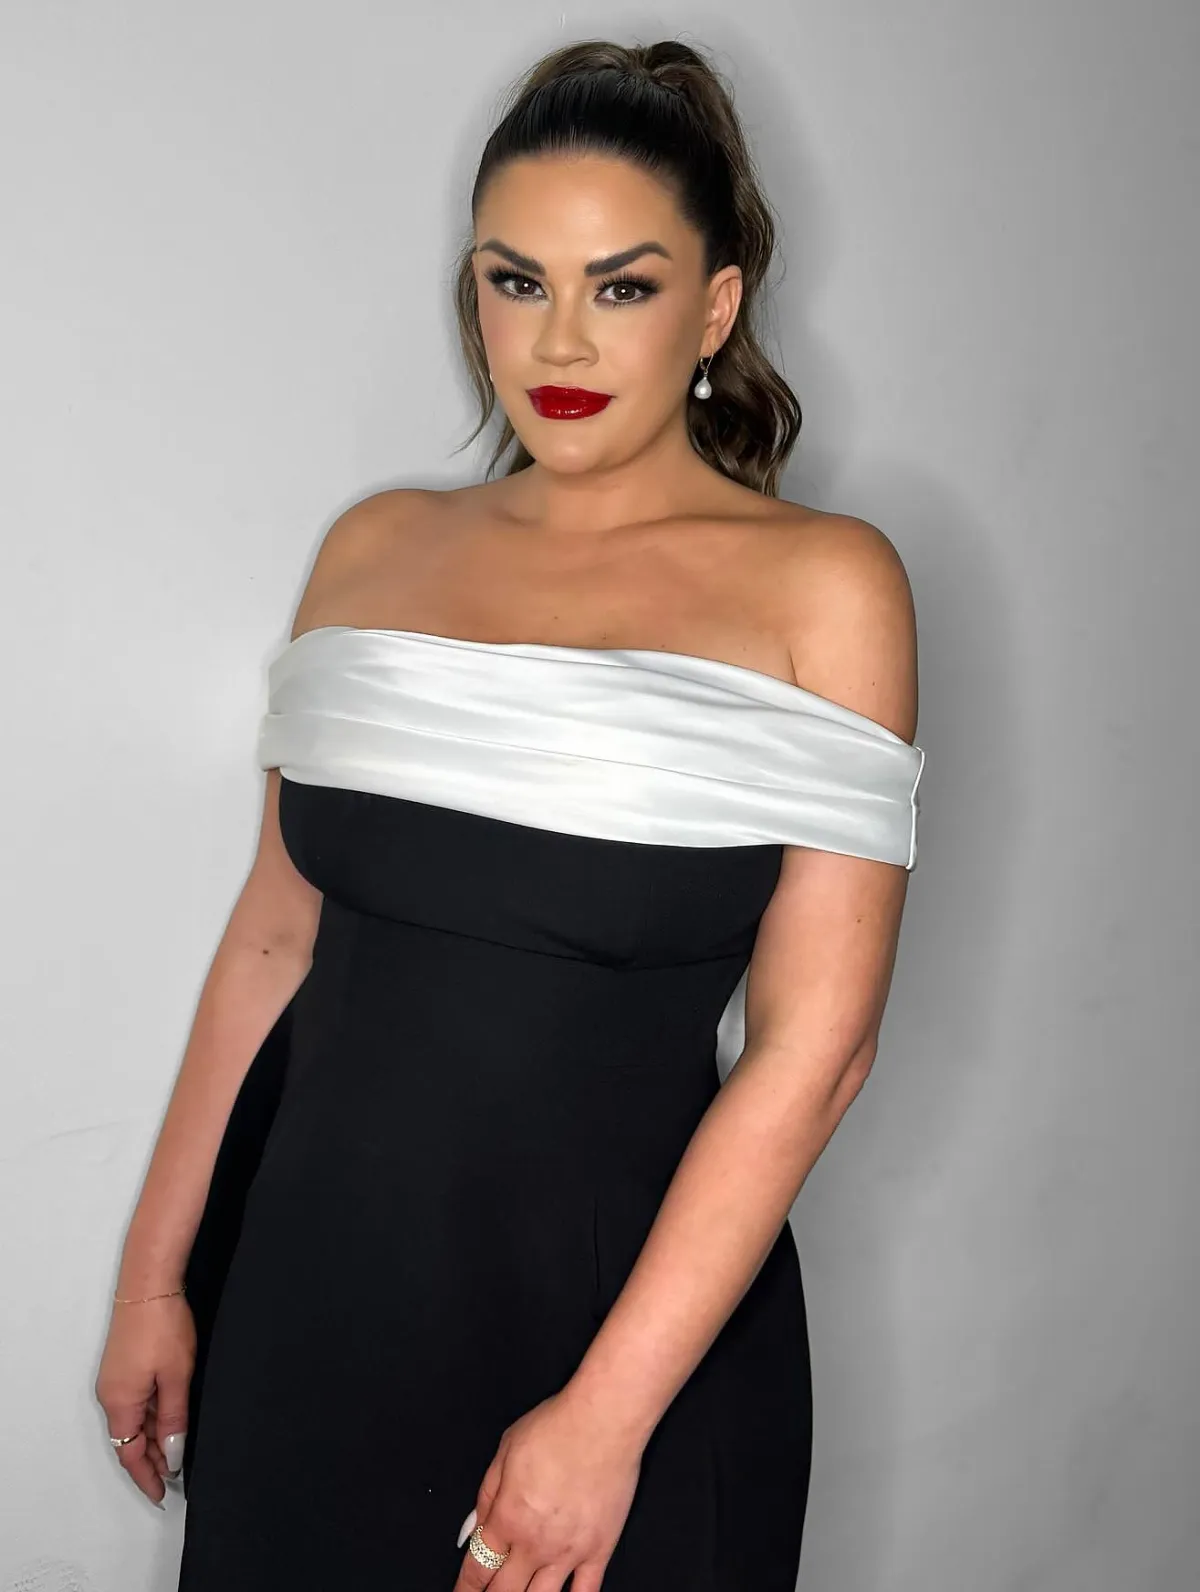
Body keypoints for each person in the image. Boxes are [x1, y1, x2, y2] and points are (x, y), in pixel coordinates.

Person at [95, 35, 924, 1591]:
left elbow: (818, 1053)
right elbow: (273, 938)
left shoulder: (826, 588)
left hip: (623, 1350)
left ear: (715, 309)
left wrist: (602, 1424)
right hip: (306, 1314)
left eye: (622, 286)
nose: (560, 337)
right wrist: (157, 1279)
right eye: (515, 280)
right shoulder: (371, 551)